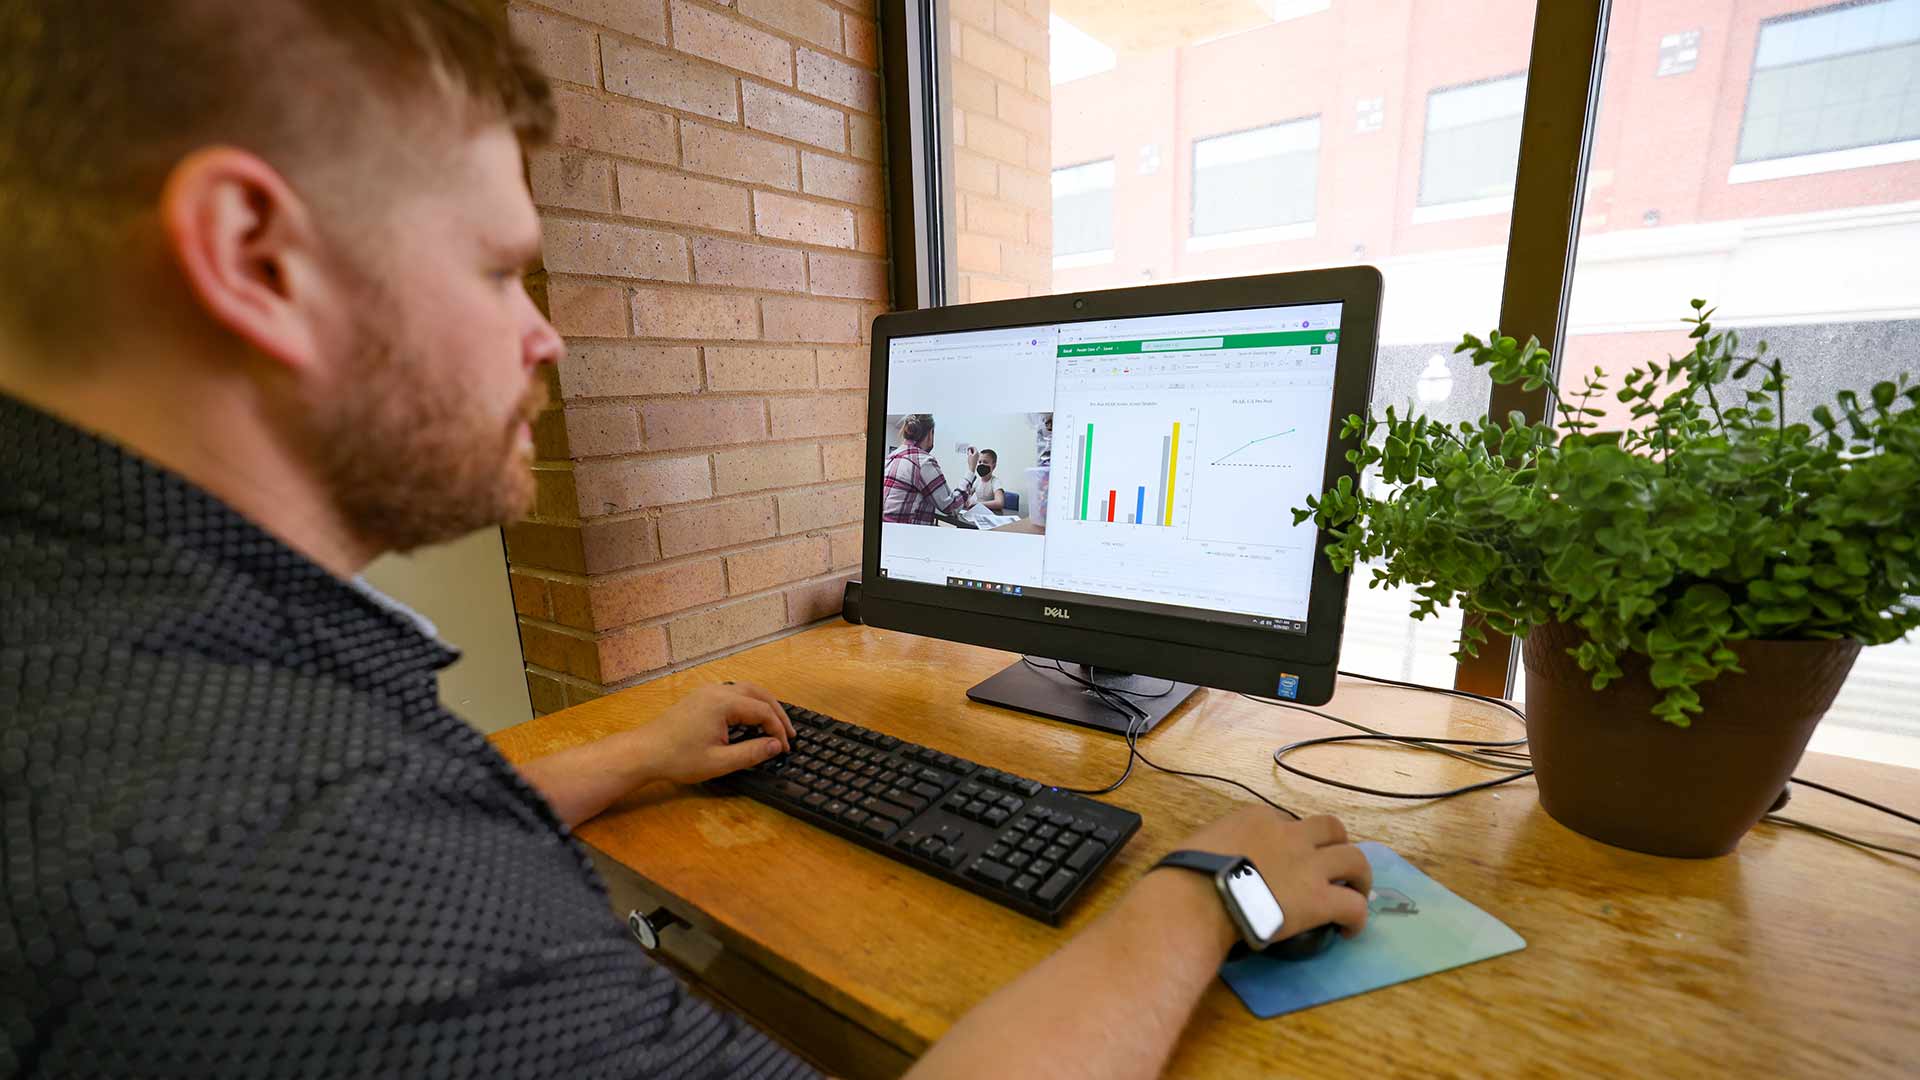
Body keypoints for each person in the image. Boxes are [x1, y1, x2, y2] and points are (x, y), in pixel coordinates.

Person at [0, 4, 1371, 1078]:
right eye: (495, 270)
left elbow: (408, 824)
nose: (543, 333)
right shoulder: (279, 852)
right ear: (253, 256)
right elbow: (338, 872)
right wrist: (1202, 902)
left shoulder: (100, 642)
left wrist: (634, 759)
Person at [881, 413, 979, 525]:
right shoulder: (923, 462)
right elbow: (951, 507)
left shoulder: (891, 457)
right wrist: (971, 469)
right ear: (930, 433)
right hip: (908, 536)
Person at [968, 448, 1007, 513]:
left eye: (985, 462)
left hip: (991, 514)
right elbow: (967, 494)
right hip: (978, 512)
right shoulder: (977, 481)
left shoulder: (995, 482)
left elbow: (1000, 503)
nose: (981, 464)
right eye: (979, 462)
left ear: (993, 466)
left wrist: (977, 504)